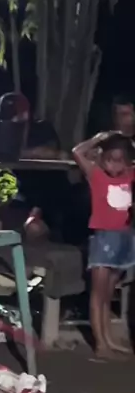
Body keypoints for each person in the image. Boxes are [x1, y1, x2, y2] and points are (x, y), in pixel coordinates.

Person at [73, 131, 135, 357]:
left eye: (120, 160)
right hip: (103, 239)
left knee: (109, 294)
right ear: (102, 157)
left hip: (124, 238)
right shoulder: (96, 175)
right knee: (98, 295)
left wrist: (128, 142)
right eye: (109, 159)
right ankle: (100, 343)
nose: (114, 165)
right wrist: (99, 138)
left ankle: (108, 339)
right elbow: (77, 152)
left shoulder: (130, 175)